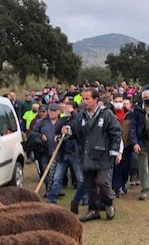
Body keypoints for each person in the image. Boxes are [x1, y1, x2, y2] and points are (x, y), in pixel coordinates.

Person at [62, 88, 121, 222]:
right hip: (86, 155)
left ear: (95, 99)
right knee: (89, 184)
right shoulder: (81, 115)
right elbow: (76, 132)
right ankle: (93, 209)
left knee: (102, 181)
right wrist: (68, 131)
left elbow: (116, 133)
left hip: (103, 155)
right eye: (83, 99)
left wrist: (114, 152)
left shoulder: (107, 114)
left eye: (88, 98)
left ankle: (108, 204)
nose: (85, 101)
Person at [48, 102, 86, 212]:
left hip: (75, 153)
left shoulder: (78, 119)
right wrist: (57, 137)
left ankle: (85, 198)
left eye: (68, 108)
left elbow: (78, 127)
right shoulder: (62, 121)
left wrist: (73, 112)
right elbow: (55, 133)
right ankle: (52, 199)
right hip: (63, 153)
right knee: (57, 177)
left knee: (80, 178)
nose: (66, 110)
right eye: (64, 108)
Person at [31, 103, 62, 194]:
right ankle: (49, 190)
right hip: (44, 151)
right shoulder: (41, 122)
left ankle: (55, 190)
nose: (52, 113)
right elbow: (33, 133)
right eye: (50, 111)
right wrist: (41, 136)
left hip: (58, 151)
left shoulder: (62, 122)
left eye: (54, 111)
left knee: (56, 172)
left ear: (58, 112)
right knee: (45, 171)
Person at [110, 94, 132, 198]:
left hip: (127, 144)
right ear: (113, 102)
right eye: (116, 101)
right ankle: (116, 187)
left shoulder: (129, 114)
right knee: (116, 166)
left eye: (120, 101)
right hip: (115, 144)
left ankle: (123, 183)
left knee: (126, 167)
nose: (118, 103)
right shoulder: (109, 113)